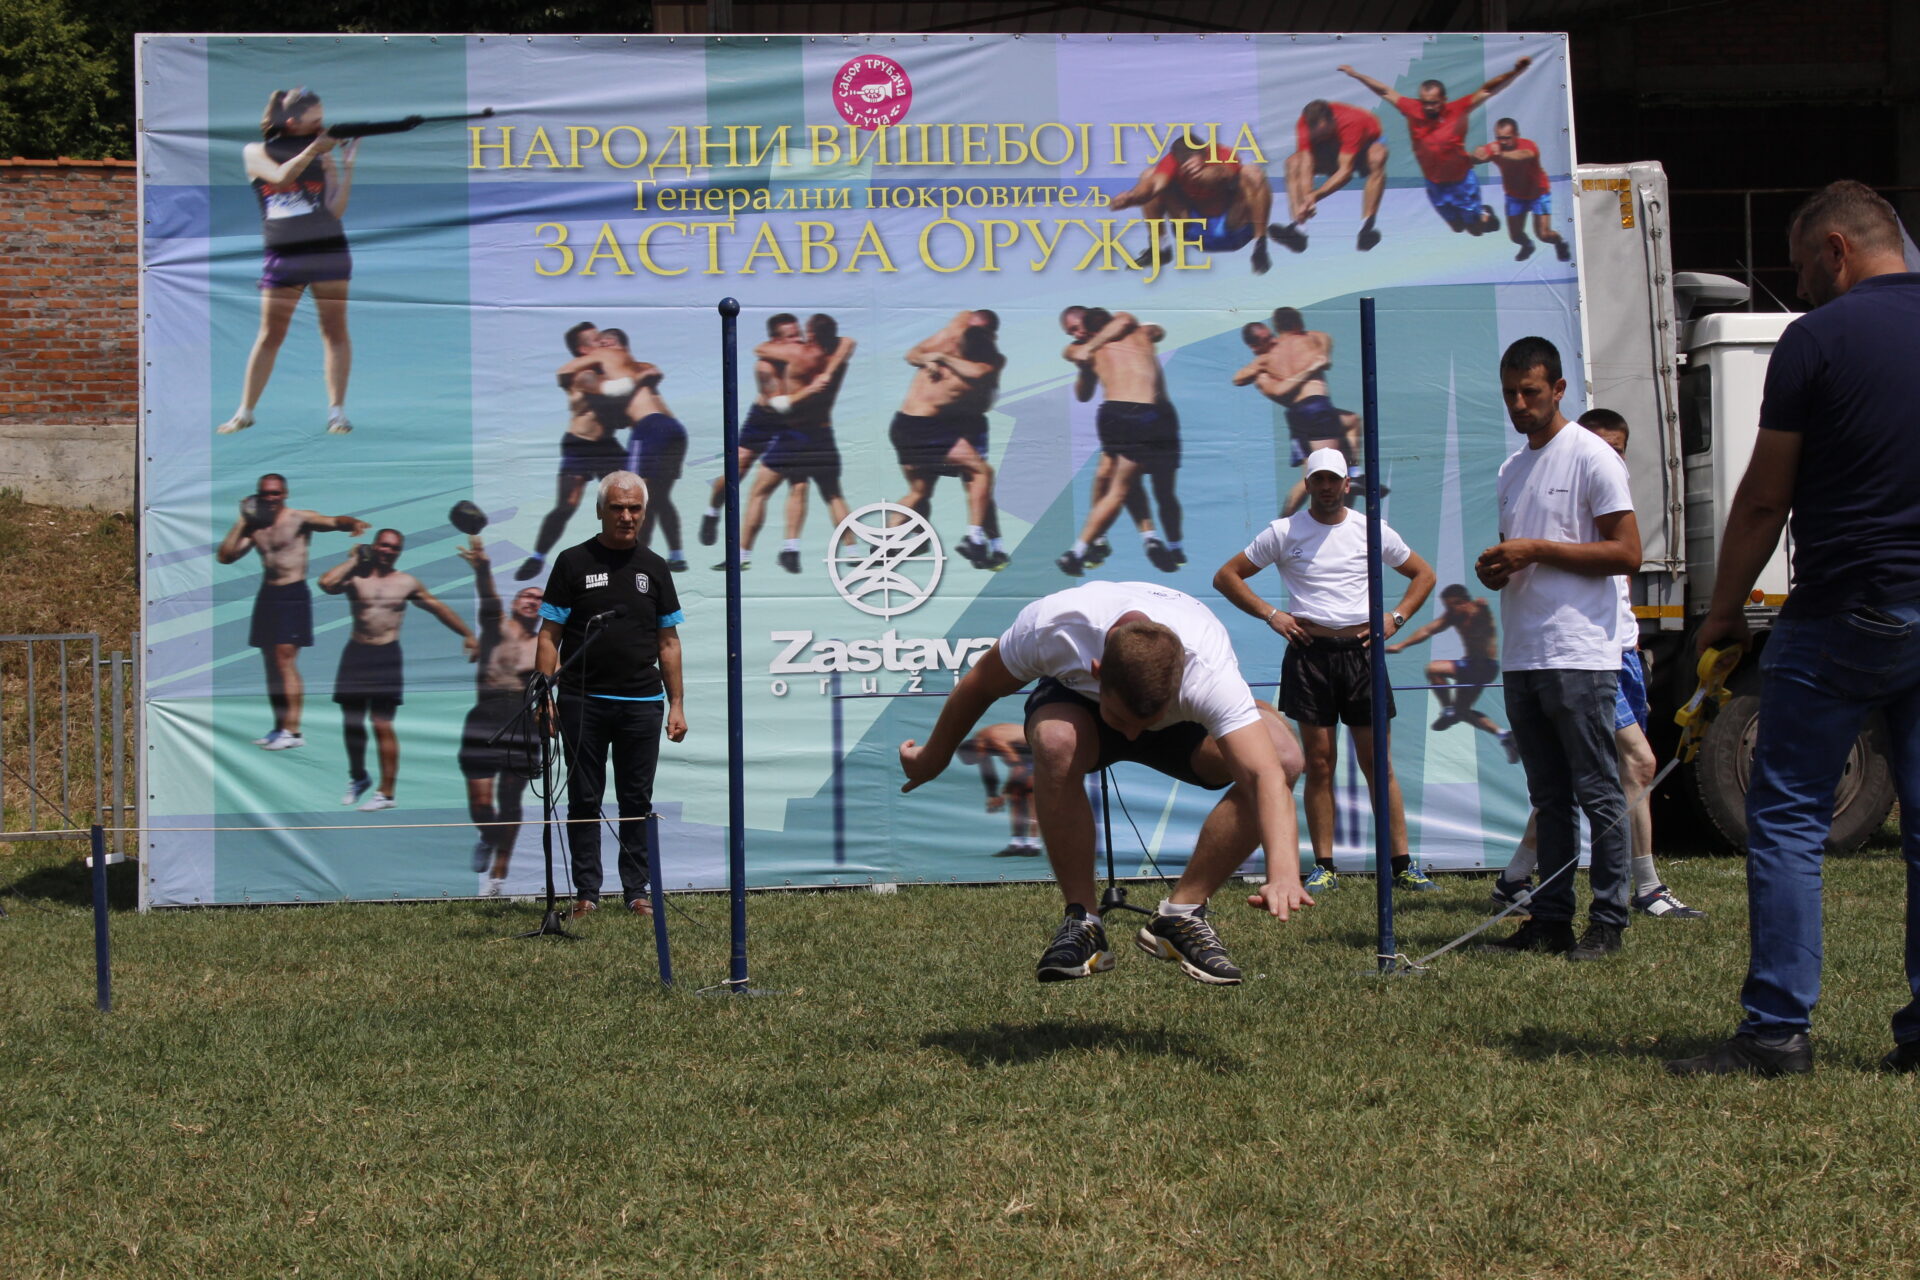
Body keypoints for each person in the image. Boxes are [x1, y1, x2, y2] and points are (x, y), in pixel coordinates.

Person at [1668, 181, 1920, 1077]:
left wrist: (1725, 611)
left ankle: (1777, 1032)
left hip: (1845, 604)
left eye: (1801, 264)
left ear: (1839, 248)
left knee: (1787, 820)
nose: (1799, 283)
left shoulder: (1814, 340)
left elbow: (1766, 496)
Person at [899, 580, 1311, 986]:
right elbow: (979, 687)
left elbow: (1265, 775)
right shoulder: (1054, 628)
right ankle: (1084, 920)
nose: (1132, 736)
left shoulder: (1207, 671)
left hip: (1179, 721)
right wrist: (931, 759)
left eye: (1142, 725)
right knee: (1056, 740)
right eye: (1123, 722)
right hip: (1081, 709)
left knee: (1283, 755)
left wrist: (1284, 871)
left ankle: (1180, 915)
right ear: (1097, 671)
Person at [1472, 335, 1641, 961]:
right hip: (1524, 650)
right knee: (1548, 797)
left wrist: (1535, 549)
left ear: (1560, 389)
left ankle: (1610, 919)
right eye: (1511, 394)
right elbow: (1518, 553)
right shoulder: (1510, 469)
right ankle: (1549, 919)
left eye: (1532, 392)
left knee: (1598, 790)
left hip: (1580, 652)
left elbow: (1627, 553)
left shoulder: (1593, 456)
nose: (1519, 404)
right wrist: (1500, 568)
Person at [1495, 410, 1703, 918]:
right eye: (1602, 445)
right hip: (1583, 657)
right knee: (1628, 768)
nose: (1610, 457)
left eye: (1619, 449)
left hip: (1620, 650)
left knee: (1587, 777)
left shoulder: (1607, 485)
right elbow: (1613, 557)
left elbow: (1623, 558)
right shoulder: (1533, 471)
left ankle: (1521, 878)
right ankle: (1635, 890)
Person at [1215, 448, 1440, 893]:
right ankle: (1324, 865)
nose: (1326, 487)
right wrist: (1271, 615)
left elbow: (1423, 574)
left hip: (1362, 654)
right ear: (1308, 483)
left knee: (1378, 763)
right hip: (1309, 654)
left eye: (1333, 480)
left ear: (1346, 484)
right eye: (1318, 479)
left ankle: (1402, 864)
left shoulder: (1368, 529)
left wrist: (1395, 619)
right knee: (1319, 763)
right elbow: (1227, 576)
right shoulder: (1285, 531)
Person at [536, 471, 688, 918]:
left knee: (636, 799)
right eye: (618, 508)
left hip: (641, 702)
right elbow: (549, 636)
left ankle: (637, 892)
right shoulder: (572, 562)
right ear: (600, 510)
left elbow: (669, 643)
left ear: (644, 511)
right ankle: (587, 892)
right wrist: (544, 695)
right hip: (583, 700)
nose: (626, 516)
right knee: (584, 796)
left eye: (634, 508)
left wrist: (676, 703)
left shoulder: (655, 566)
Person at [218, 88, 361, 435]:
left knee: (334, 330)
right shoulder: (256, 151)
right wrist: (316, 150)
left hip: (328, 249)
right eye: (316, 120)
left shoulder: (322, 155)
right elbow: (281, 178)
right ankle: (245, 411)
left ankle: (337, 412)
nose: (322, 126)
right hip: (285, 253)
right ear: (293, 121)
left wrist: (347, 167)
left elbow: (335, 210)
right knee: (271, 333)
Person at [319, 528, 478, 812]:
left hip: (386, 655)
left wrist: (467, 634)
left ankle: (387, 792)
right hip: (356, 653)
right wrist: (355, 558)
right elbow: (325, 583)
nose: (387, 551)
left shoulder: (406, 582)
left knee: (382, 724)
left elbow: (437, 607)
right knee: (351, 722)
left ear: (399, 552)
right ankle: (358, 778)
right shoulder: (356, 575)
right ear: (374, 545)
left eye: (393, 548)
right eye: (383, 545)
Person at [216, 473, 368, 751]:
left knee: (285, 659)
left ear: (285, 494)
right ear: (259, 496)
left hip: (292, 594)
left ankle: (294, 731)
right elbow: (225, 557)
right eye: (265, 493)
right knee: (270, 664)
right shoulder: (256, 526)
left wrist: (352, 523)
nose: (271, 498)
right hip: (268, 596)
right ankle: (279, 728)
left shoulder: (299, 518)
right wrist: (242, 520)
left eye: (276, 493)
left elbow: (333, 522)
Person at [1339, 58, 1532, 237]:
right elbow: (1384, 91)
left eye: (1433, 103)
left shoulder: (1458, 109)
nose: (1428, 107)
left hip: (1461, 183)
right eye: (1424, 103)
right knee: (1457, 228)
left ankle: (1485, 214)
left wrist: (1515, 71)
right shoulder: (1412, 109)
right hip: (1435, 184)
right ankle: (1477, 214)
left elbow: (1489, 90)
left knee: (1474, 230)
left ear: (1444, 100)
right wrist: (1356, 75)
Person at [1056, 307, 1183, 576]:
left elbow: (1133, 322)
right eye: (1071, 333)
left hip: (1131, 413)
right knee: (1115, 481)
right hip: (1140, 413)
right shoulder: (1088, 347)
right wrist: (1083, 363)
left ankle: (1155, 541)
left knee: (1134, 484)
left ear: (1090, 325)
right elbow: (1082, 392)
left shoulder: (1130, 329)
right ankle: (1089, 545)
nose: (1076, 335)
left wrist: (1088, 348)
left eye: (1078, 328)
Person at [454, 536, 543, 897]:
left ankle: (498, 876)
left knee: (511, 800)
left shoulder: (545, 645)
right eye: (527, 596)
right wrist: (484, 568)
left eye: (539, 599)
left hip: (522, 718)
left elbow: (555, 682)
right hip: (485, 714)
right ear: (515, 602)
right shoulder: (497, 628)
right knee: (480, 801)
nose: (533, 601)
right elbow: (489, 601)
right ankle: (488, 836)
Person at [887, 310, 1008, 567]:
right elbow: (912, 354)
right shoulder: (960, 339)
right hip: (927, 426)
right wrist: (931, 357)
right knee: (980, 474)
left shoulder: (979, 356)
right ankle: (975, 538)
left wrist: (936, 357)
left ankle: (888, 541)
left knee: (923, 491)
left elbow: (981, 371)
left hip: (908, 424)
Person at [516, 322, 632, 581]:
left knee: (630, 496)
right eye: (595, 340)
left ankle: (626, 555)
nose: (602, 341)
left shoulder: (606, 368)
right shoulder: (582, 375)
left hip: (606, 446)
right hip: (579, 445)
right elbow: (613, 390)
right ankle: (537, 556)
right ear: (581, 349)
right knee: (567, 505)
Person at [744, 313, 859, 574]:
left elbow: (760, 349)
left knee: (763, 491)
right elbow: (849, 342)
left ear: (813, 334)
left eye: (805, 332)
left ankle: (763, 552)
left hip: (795, 434)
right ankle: (852, 550)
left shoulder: (797, 355)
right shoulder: (837, 359)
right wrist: (828, 373)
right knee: (832, 494)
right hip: (823, 433)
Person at [1232, 311, 1364, 516]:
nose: (1273, 341)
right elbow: (1240, 379)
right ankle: (1351, 480)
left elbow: (1240, 379)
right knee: (1326, 473)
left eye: (1271, 336)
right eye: (1266, 340)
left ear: (1276, 327)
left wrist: (1284, 372)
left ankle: (1282, 522)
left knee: (1351, 422)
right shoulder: (1310, 339)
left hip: (1298, 416)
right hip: (1315, 409)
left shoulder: (1267, 360)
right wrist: (1309, 369)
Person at [700, 313, 803, 555]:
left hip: (792, 426)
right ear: (776, 342)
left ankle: (778, 550)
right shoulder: (765, 366)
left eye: (800, 333)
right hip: (764, 420)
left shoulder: (804, 355)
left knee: (795, 483)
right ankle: (712, 512)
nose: (799, 340)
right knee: (735, 473)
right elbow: (779, 402)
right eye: (791, 336)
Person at [1386, 583, 1518, 761]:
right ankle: (1503, 734)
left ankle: (1453, 713)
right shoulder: (1454, 616)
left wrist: (1484, 607)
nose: (1449, 610)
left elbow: (1487, 620)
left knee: (1458, 706)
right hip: (1469, 665)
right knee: (1440, 679)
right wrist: (1401, 645)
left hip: (1484, 667)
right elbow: (1427, 630)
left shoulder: (1478, 611)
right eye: (1446, 606)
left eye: (1451, 606)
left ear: (1463, 602)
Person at [1111, 136, 1272, 274]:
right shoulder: (1171, 161)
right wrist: (1132, 196)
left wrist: (1202, 174)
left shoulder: (1222, 153)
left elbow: (1224, 174)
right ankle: (1160, 249)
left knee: (1252, 172)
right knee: (1149, 175)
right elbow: (1153, 186)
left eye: (1192, 162)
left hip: (1235, 227)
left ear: (1205, 153)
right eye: (1183, 165)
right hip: (1195, 232)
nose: (1187, 168)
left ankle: (1260, 243)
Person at [1270, 99, 1390, 254]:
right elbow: (1307, 162)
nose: (1320, 136)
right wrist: (1308, 198)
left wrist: (1316, 195)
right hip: (1333, 148)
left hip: (1363, 147)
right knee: (1293, 163)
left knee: (1378, 156)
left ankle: (1366, 227)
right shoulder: (1304, 124)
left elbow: (1345, 172)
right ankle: (1298, 230)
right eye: (1317, 135)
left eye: (1324, 132)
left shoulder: (1352, 121)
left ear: (1332, 120)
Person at [1472, 117, 1570, 263]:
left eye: (1507, 138)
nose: (1503, 142)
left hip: (1538, 194)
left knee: (1544, 235)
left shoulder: (1529, 147)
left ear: (1517, 134)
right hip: (1515, 196)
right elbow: (1479, 156)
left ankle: (1559, 243)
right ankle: (1528, 245)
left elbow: (1522, 157)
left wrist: (1499, 154)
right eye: (1499, 138)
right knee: (1515, 236)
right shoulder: (1496, 148)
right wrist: (1477, 155)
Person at [957, 723, 1041, 857]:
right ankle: (1017, 843)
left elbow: (1019, 767)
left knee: (1030, 794)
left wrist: (1002, 793)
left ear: (979, 750)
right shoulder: (980, 744)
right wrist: (992, 795)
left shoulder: (994, 741)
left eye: (977, 759)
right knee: (1014, 798)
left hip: (1035, 749)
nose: (980, 761)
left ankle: (1033, 844)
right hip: (1020, 754)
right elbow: (988, 772)